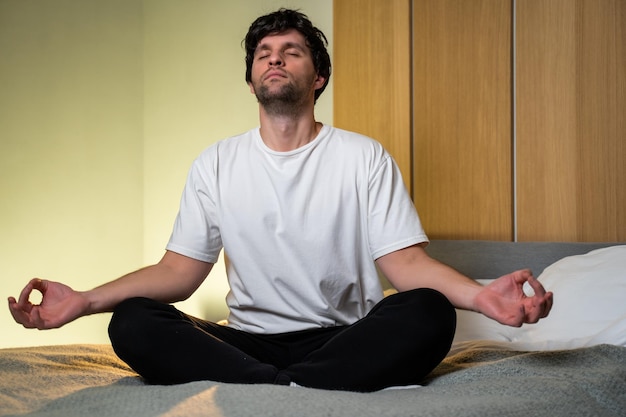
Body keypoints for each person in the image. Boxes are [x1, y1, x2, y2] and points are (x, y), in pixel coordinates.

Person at [8, 9, 553, 392]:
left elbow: (405, 265)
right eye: (264, 54)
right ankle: (290, 384)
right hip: (246, 345)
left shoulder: (364, 157)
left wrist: (481, 298)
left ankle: (284, 383)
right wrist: (82, 299)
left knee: (429, 312)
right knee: (131, 322)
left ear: (317, 77)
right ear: (250, 80)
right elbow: (178, 272)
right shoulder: (217, 163)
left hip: (346, 338)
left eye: (291, 52)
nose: (275, 59)